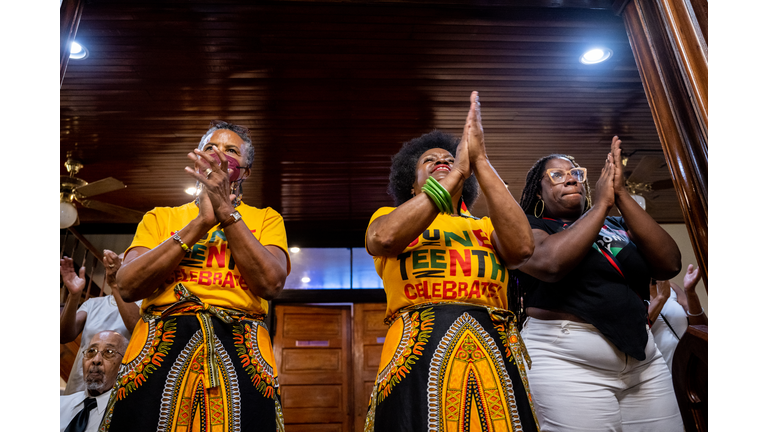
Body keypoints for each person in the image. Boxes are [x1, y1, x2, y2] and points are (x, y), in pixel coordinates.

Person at [364, 92, 539, 431]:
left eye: (449, 157)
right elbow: (383, 239)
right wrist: (457, 169)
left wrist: (481, 161)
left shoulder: (486, 228)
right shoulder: (389, 216)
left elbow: (522, 250)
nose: (441, 160)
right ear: (412, 186)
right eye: (429, 161)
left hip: (492, 348)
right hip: (417, 352)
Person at [100, 120, 290, 432]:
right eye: (210, 148)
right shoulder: (161, 217)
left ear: (244, 172)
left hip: (239, 344)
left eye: (230, 151)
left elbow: (271, 283)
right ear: (197, 159)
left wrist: (226, 213)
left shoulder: (267, 219)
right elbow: (127, 283)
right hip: (161, 342)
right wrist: (200, 223)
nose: (217, 155)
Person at [513, 137, 685, 431]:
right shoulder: (530, 225)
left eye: (577, 174)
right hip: (566, 361)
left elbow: (669, 264)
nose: (570, 179)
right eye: (557, 175)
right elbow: (550, 264)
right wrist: (602, 204)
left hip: (642, 359)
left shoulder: (616, 224)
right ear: (539, 193)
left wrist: (620, 195)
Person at [60, 250, 141, 395]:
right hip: (81, 386)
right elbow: (64, 336)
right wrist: (74, 295)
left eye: (121, 264)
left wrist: (116, 285)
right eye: (113, 264)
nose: (116, 268)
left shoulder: (144, 305)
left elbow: (135, 327)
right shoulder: (93, 304)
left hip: (117, 391)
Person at [60, 330, 129, 432]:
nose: (96, 360)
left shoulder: (126, 418)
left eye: (109, 352)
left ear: (124, 365)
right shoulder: (60, 404)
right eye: (91, 351)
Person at [649, 264, 707, 370]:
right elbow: (636, 332)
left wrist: (690, 292)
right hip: (663, 374)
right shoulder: (630, 297)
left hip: (694, 367)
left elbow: (703, 326)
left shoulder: (671, 288)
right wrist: (661, 298)